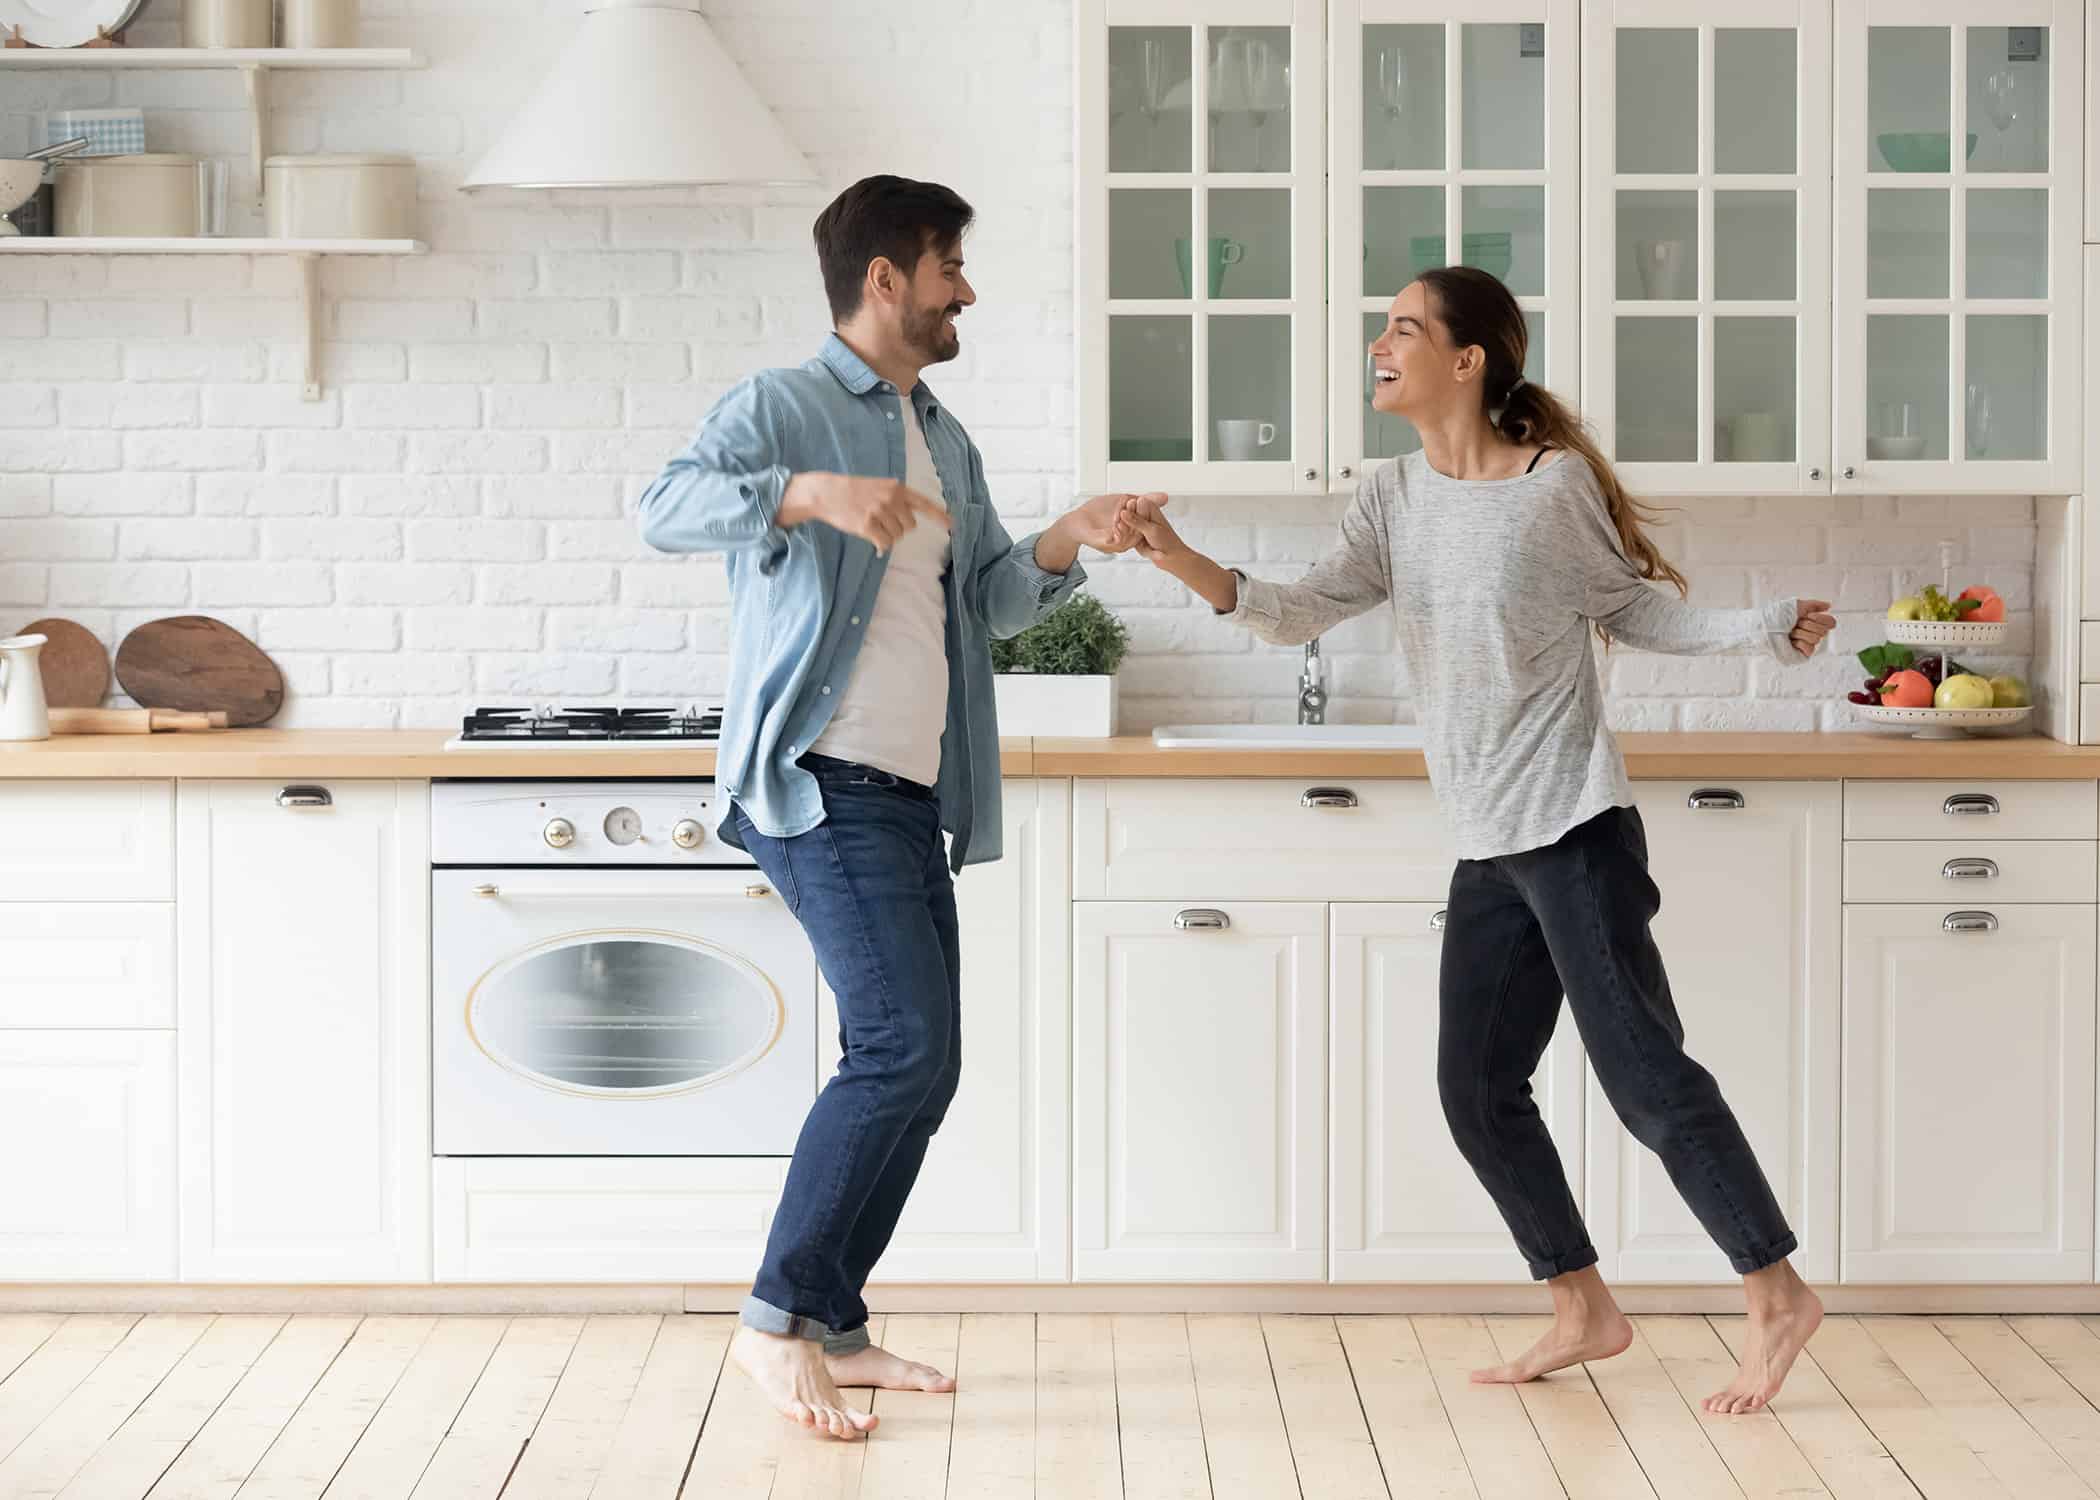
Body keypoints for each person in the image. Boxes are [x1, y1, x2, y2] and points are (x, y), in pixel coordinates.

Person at [1118, 265, 1836, 1416]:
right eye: (1381, 327)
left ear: (1469, 362)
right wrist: (1178, 558)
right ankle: (1584, 1307)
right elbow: (1301, 610)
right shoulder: (1391, 495)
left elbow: (1632, 608)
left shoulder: (1550, 493)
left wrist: (1761, 628)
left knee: (1646, 1077)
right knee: (1478, 1089)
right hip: (1490, 838)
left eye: (1403, 328)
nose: (1377, 344)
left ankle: (1774, 1291)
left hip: (1575, 829)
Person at [636, 175, 1136, 1441]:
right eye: (949, 264)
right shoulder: (784, 404)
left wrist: (1067, 539)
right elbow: (664, 509)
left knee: (929, 1064)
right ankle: (772, 1321)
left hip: (912, 790)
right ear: (885, 278)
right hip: (821, 779)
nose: (965, 288)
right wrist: (805, 492)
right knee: (900, 1051)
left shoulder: (941, 432)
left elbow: (997, 604)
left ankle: (839, 1328)